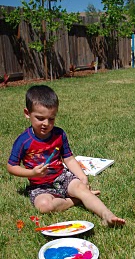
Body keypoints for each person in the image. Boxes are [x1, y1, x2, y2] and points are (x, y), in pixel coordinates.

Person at [7, 85, 125, 227]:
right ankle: (75, 200)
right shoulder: (23, 141)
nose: (46, 123)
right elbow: (11, 167)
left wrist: (82, 177)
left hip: (62, 176)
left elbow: (68, 158)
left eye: (51, 119)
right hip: (40, 185)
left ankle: (107, 215)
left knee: (81, 188)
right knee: (44, 206)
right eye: (40, 118)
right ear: (27, 113)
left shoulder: (59, 134)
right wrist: (32, 173)